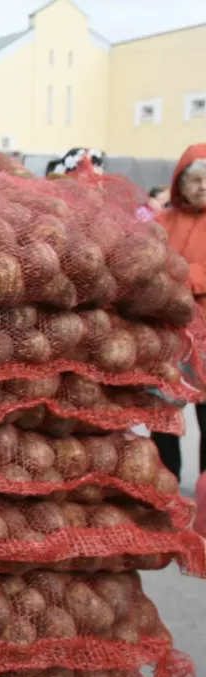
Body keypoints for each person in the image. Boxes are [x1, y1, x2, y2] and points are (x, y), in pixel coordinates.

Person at [151, 145, 206, 481]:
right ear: (179, 185)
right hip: (167, 335)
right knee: (161, 414)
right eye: (195, 180)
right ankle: (166, 486)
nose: (202, 186)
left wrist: (182, 276)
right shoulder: (161, 220)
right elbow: (145, 260)